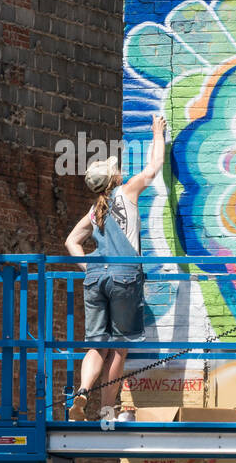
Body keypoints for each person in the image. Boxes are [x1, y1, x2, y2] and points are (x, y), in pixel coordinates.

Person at [64, 115, 167, 421]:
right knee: (119, 350)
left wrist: (91, 268)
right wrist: (157, 133)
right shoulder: (128, 192)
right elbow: (155, 166)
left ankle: (82, 392)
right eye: (116, 170)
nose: (120, 170)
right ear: (114, 179)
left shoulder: (95, 209)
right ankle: (108, 411)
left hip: (96, 280)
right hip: (124, 277)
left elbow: (71, 241)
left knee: (97, 347)